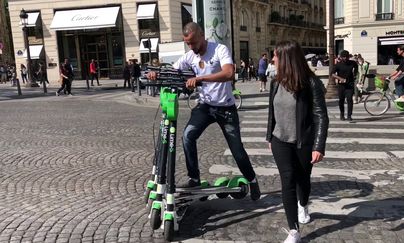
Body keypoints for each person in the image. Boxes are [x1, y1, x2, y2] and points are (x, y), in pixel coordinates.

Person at [146, 22, 261, 200]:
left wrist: (200, 78)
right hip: (205, 106)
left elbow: (229, 73)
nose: (191, 47)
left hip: (226, 108)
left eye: (193, 42)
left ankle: (252, 180)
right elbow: (173, 69)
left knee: (237, 149)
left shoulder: (219, 50)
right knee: (187, 136)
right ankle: (194, 178)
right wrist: (156, 73)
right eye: (187, 44)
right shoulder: (190, 56)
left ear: (201, 35)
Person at [266, 40, 329, 243]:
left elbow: (321, 115)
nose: (272, 59)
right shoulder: (275, 82)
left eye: (275, 55)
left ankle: (303, 203)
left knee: (303, 180)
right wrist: (270, 136)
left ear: (286, 58)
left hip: (303, 142)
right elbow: (272, 113)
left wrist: (319, 146)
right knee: (288, 181)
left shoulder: (311, 83)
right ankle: (294, 231)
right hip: (280, 141)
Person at [332, 50, 358, 121]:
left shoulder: (353, 63)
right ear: (340, 57)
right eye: (343, 57)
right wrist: (340, 78)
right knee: (341, 100)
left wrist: (355, 75)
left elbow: (356, 68)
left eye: (346, 57)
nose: (345, 58)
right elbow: (333, 74)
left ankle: (349, 116)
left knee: (349, 100)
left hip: (350, 84)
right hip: (341, 85)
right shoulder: (338, 65)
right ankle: (342, 114)